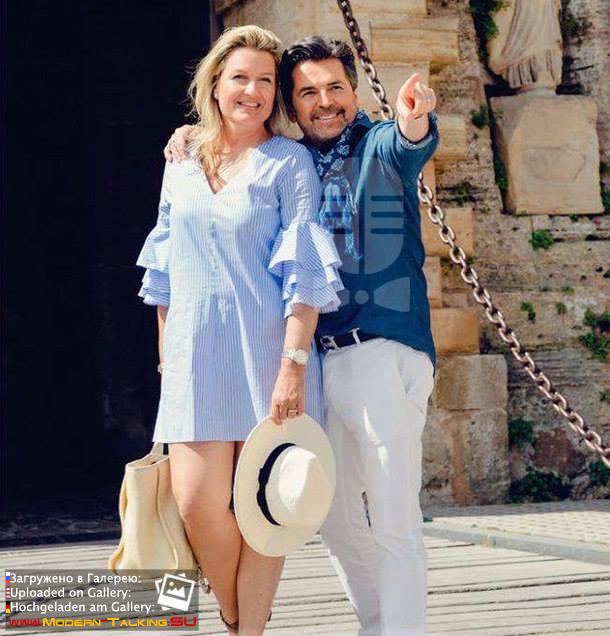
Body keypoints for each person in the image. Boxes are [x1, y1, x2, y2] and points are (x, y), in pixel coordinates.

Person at [166, 36, 440, 636]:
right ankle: (375, 625)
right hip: (322, 358)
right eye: (308, 92)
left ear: (354, 91)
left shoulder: (376, 146)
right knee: (330, 517)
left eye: (335, 87)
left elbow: (409, 142)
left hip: (380, 350)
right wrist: (192, 134)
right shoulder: (293, 160)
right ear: (291, 106)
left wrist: (414, 120)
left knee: (393, 518)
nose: (325, 102)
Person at [137, 26, 343, 635]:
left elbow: (304, 275)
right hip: (193, 360)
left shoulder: (289, 162)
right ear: (214, 84)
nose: (252, 91)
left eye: (265, 81)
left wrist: (293, 367)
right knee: (197, 504)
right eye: (240, 78)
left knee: (267, 508)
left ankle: (245, 629)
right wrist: (166, 360)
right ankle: (237, 614)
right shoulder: (180, 161)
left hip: (269, 356)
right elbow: (163, 272)